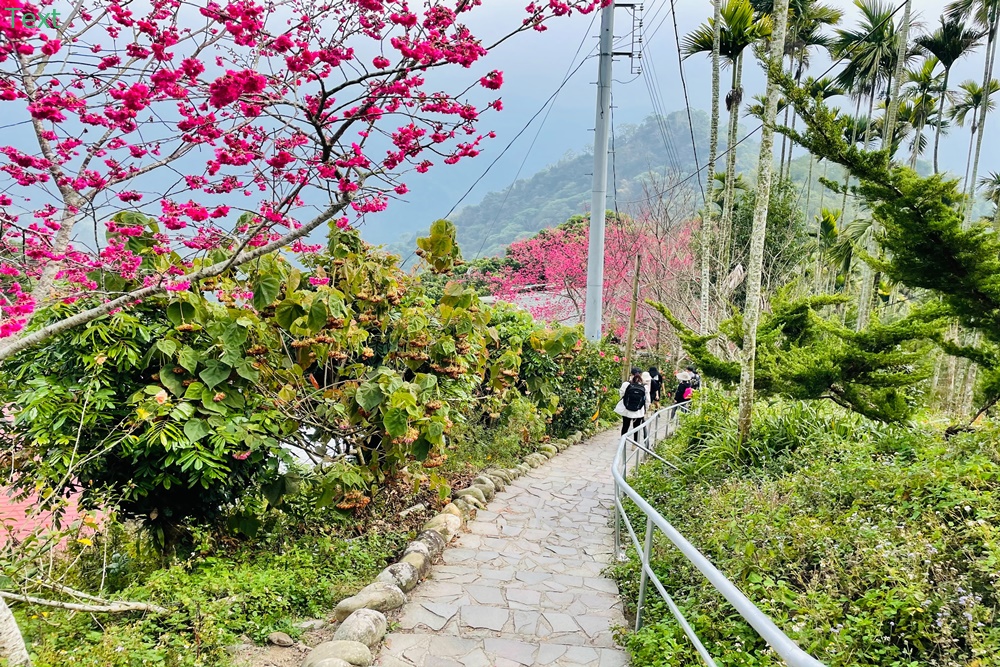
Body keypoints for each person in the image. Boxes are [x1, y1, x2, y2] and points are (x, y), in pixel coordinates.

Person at [615, 368, 650, 435]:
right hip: (639, 411)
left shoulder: (626, 384)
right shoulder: (644, 386)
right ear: (641, 374)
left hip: (626, 409)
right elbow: (647, 400)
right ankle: (635, 444)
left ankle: (623, 443)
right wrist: (646, 409)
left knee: (625, 426)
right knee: (636, 428)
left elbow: (622, 395)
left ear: (631, 374)